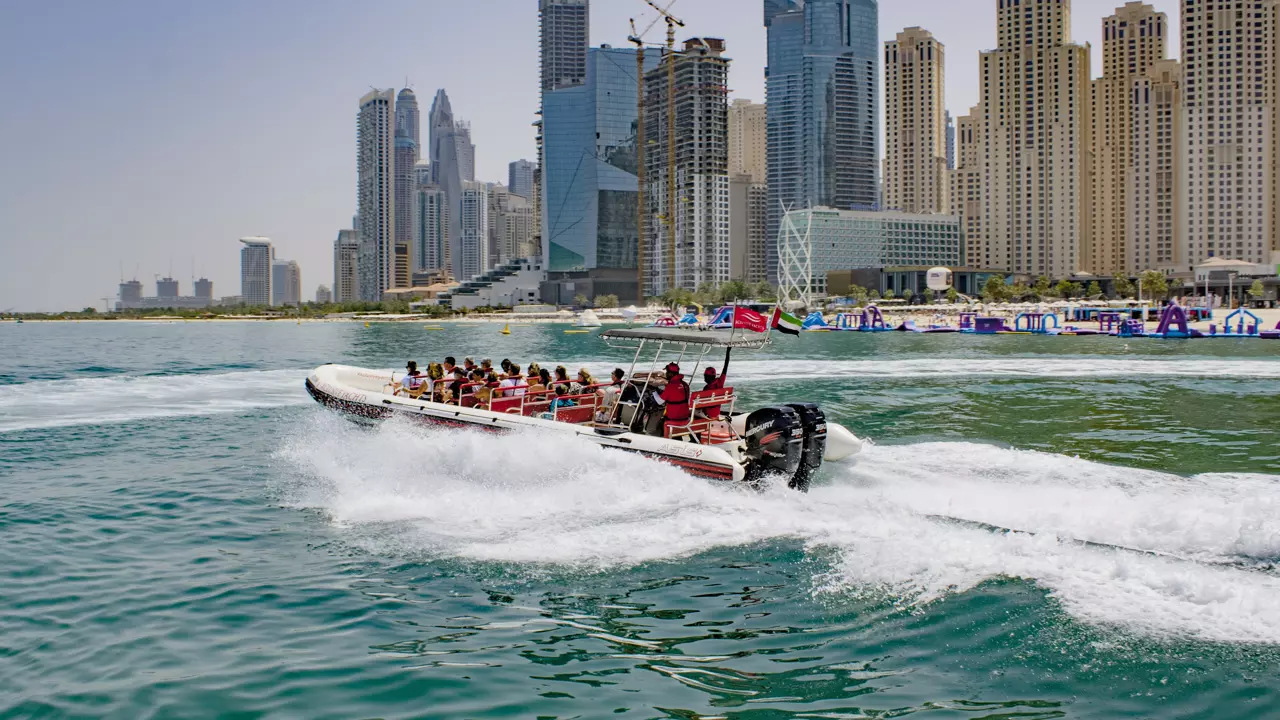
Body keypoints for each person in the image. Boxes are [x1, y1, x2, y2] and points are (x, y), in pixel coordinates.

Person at [649, 362, 690, 436]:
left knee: (660, 423)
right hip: (685, 416)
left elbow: (659, 401)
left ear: (671, 374)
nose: (666, 374)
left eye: (667, 372)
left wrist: (653, 391)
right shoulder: (685, 384)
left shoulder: (671, 386)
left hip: (674, 418)